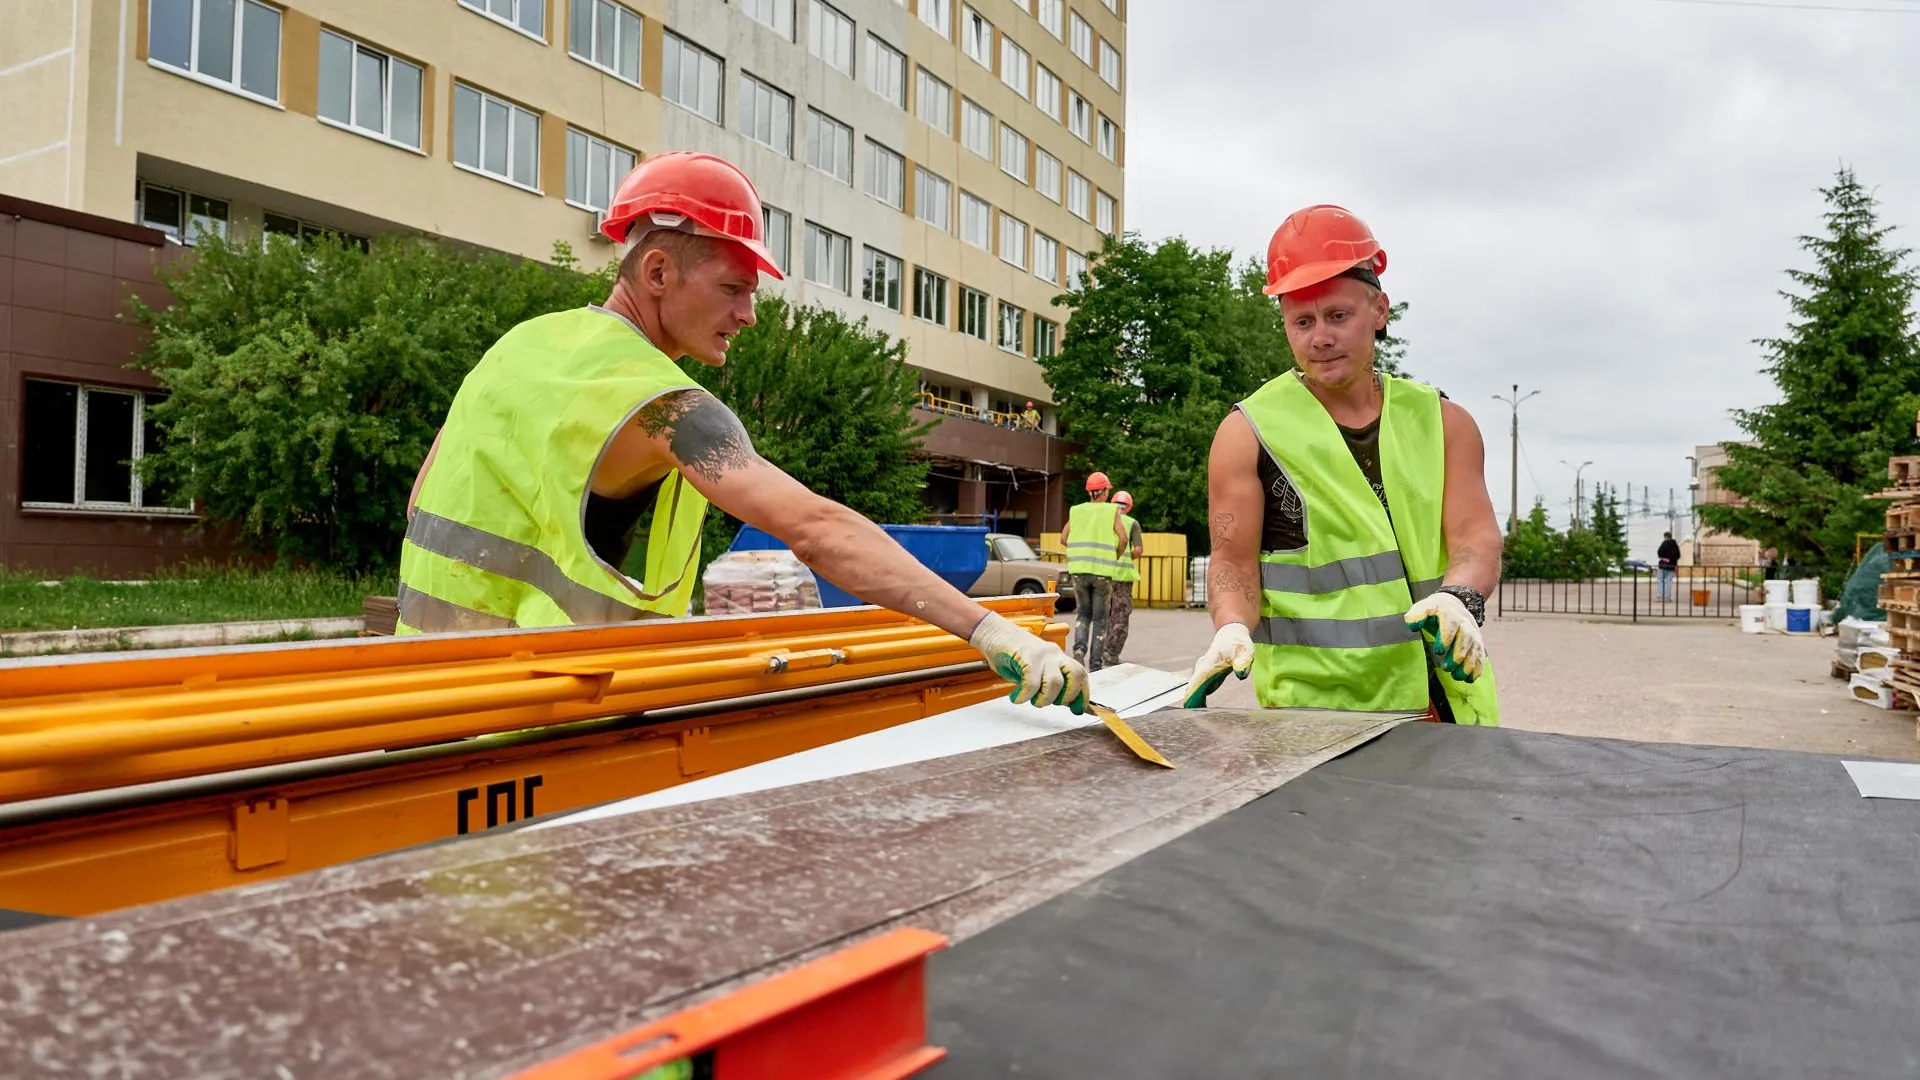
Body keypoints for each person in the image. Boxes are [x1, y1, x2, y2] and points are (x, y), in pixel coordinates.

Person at [398, 151, 1087, 712]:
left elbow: (424, 500)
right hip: (534, 719)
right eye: (733, 288)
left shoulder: (519, 347)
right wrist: (991, 629)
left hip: (411, 697)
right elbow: (815, 529)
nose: (750, 315)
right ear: (658, 271)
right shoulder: (666, 405)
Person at [1181, 204, 1503, 724]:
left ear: (1379, 310)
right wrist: (1231, 625)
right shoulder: (1248, 433)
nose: (1320, 338)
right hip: (1313, 716)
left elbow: (1475, 536)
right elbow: (1233, 561)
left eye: (1338, 316)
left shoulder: (1444, 423)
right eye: (1302, 322)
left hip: (1442, 708)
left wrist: (1459, 596)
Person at [1059, 472, 1130, 670]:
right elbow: (1123, 539)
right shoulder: (1111, 511)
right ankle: (1095, 665)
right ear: (1104, 491)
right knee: (1100, 619)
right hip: (1102, 573)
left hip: (1079, 572)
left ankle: (1079, 651)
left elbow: (1063, 538)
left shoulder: (1076, 511)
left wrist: (1081, 553)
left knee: (1082, 615)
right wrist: (1114, 555)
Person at [1103, 490, 1146, 667]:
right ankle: (1111, 654)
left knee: (1102, 615)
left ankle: (1098, 652)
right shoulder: (1132, 523)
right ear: (1129, 507)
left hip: (1103, 574)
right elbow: (1138, 550)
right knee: (1120, 617)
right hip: (1122, 578)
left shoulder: (1104, 521)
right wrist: (1127, 556)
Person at [1656, 532, 1681, 602]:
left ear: (1665, 537)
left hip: (1663, 565)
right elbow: (1678, 556)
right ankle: (1668, 597)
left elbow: (1659, 553)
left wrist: (1665, 557)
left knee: (1660, 580)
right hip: (1672, 566)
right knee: (1669, 581)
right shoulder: (1675, 545)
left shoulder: (1664, 543)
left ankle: (1660, 596)